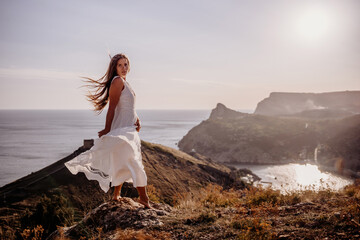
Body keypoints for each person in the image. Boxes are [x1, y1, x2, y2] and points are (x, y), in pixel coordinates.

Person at [64, 53, 150, 209]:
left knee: (122, 160)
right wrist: (107, 129)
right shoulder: (117, 82)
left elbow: (128, 107)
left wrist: (137, 120)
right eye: (120, 65)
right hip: (123, 130)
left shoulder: (125, 82)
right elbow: (111, 108)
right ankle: (144, 198)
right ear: (114, 68)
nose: (124, 68)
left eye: (126, 64)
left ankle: (116, 194)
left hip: (129, 128)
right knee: (134, 162)